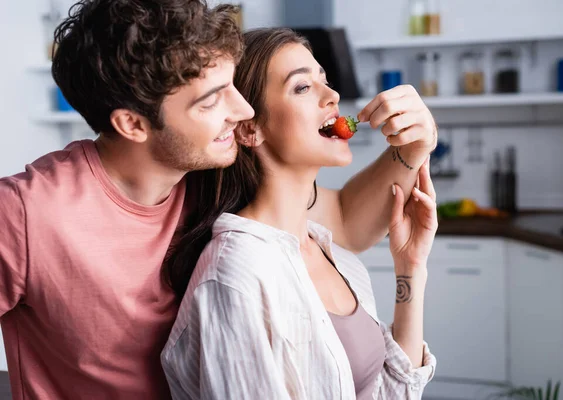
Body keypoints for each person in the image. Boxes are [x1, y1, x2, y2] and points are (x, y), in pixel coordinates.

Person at [0, 1, 435, 399]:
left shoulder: (209, 179)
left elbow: (344, 220)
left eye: (232, 85)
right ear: (132, 124)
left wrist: (411, 151)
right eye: (212, 101)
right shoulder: (27, 214)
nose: (244, 109)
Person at [161, 28, 438, 400]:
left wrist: (410, 269)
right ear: (249, 128)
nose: (334, 96)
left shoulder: (332, 254)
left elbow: (390, 392)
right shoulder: (235, 275)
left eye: (324, 80)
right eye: (302, 87)